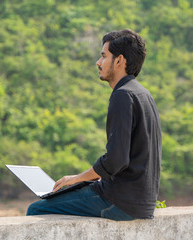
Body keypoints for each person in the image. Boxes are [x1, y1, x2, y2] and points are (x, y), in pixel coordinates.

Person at [26, 29, 162, 221]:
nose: (98, 63)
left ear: (119, 60)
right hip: (141, 202)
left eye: (103, 56)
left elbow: (116, 160)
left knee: (36, 210)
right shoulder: (143, 94)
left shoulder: (122, 95)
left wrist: (75, 179)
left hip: (120, 201)